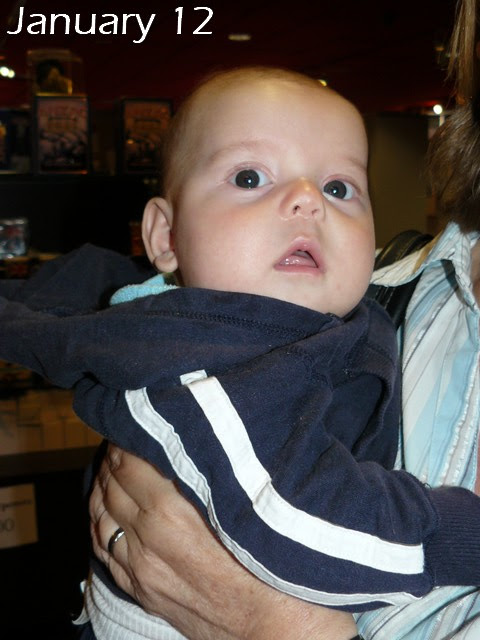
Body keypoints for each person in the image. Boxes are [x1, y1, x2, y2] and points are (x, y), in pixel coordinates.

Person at [2, 65, 480, 640]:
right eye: (250, 177)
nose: (308, 201)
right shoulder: (200, 362)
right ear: (166, 237)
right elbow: (295, 517)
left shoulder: (298, 326)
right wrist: (456, 533)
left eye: (338, 187)